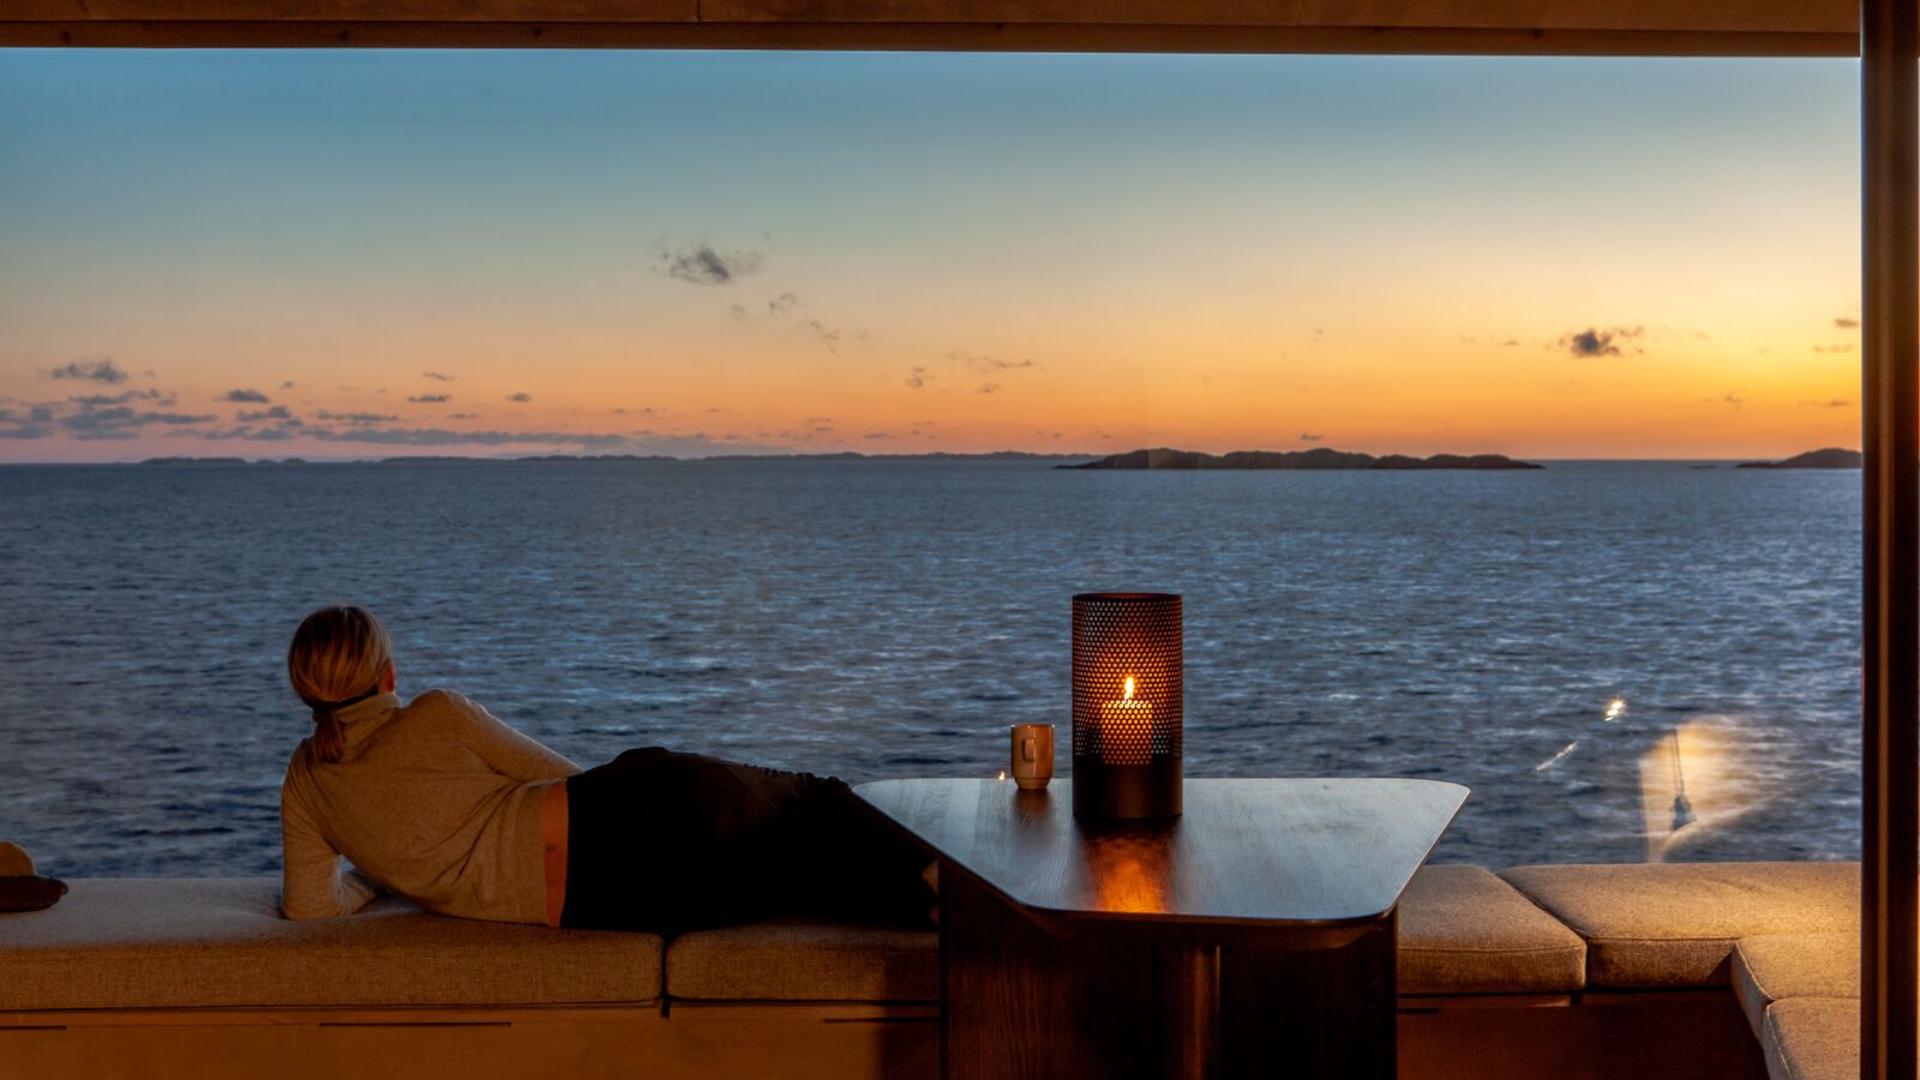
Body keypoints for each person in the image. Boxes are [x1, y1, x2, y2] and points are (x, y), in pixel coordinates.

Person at [279, 605, 934, 932]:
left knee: (804, 882)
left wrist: (378, 877)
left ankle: (939, 905)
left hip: (594, 902)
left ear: (307, 691)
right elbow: (568, 775)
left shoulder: (306, 781)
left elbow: (309, 909)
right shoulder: (436, 714)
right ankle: (950, 888)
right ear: (388, 675)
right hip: (627, 815)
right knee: (816, 804)